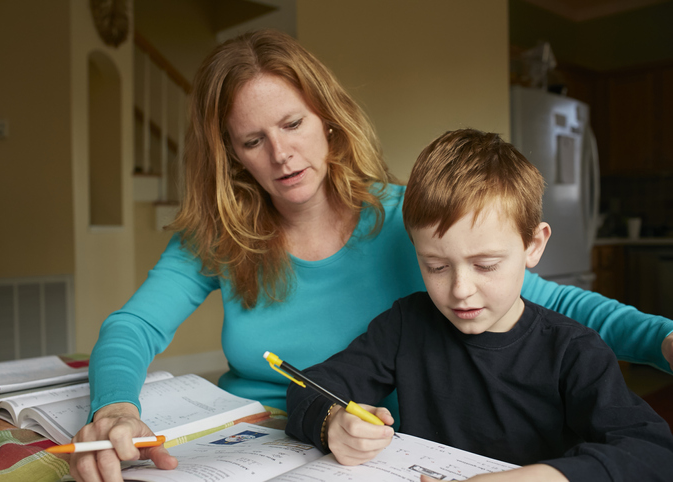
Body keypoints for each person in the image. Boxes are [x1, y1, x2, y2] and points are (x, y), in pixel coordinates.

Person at [70, 29, 673, 481]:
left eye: (293, 123)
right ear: (232, 155)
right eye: (253, 141)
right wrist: (117, 406)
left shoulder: (413, 221)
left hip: (367, 455)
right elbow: (134, 326)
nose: (281, 155)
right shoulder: (220, 234)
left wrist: (664, 340)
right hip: (250, 444)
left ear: (327, 121)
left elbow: (545, 305)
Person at [285, 129, 673, 481]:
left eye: (485, 265)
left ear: (533, 246)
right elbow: (309, 388)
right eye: (436, 266)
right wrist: (332, 422)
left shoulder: (573, 350)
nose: (460, 290)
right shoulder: (406, 325)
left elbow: (652, 452)